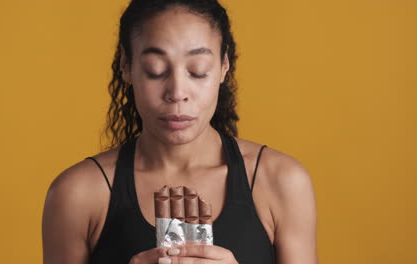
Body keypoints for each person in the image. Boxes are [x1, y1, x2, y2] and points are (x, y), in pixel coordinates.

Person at [42, 0, 318, 263]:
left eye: (198, 71)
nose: (177, 93)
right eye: (155, 70)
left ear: (224, 66)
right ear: (126, 66)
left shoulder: (281, 181)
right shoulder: (77, 193)